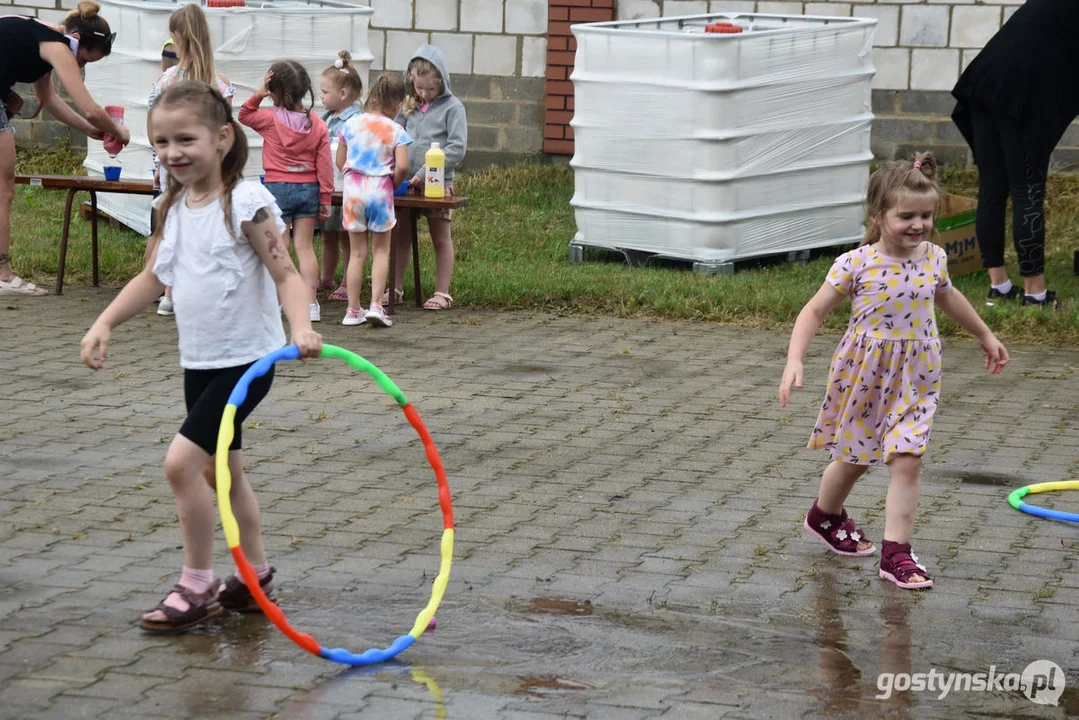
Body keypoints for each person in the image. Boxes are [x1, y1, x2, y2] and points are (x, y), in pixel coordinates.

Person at [79, 81, 322, 633]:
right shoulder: (174, 207)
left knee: (181, 465)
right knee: (223, 474)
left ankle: (196, 583)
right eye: (160, 142)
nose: (172, 153)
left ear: (221, 137)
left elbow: (285, 272)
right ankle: (255, 576)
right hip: (201, 362)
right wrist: (105, 321)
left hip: (247, 364)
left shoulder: (246, 200)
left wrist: (302, 328)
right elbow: (152, 278)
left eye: (184, 138)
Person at [778, 153, 1009, 590]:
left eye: (926, 215)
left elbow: (948, 297)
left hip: (917, 377)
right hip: (864, 375)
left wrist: (984, 333)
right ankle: (825, 516)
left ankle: (896, 554)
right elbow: (813, 310)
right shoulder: (855, 263)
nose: (918, 224)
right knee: (853, 460)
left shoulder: (935, 258)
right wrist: (794, 358)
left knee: (908, 460)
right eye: (906, 216)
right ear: (878, 214)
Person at [951, 0, 1079, 308]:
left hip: (985, 79)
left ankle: (1000, 286)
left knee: (993, 188)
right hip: (1023, 91)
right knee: (1027, 189)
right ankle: (1036, 293)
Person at [0, 1, 129, 296]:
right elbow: (91, 109)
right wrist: (117, 130)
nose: (79, 66)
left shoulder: (42, 37)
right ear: (79, 41)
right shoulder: (58, 46)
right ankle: (3, 273)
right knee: (4, 187)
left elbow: (50, 101)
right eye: (84, 60)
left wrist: (90, 130)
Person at [147, 3, 236, 316]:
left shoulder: (166, 82)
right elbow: (226, 133)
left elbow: (152, 131)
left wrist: (161, 161)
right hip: (211, 170)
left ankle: (165, 291)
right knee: (208, 230)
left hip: (173, 168)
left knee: (167, 230)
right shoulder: (221, 84)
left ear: (175, 37)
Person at [240, 60, 333, 323]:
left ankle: (281, 302)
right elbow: (324, 165)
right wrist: (325, 197)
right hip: (309, 189)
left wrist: (259, 94)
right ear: (305, 91)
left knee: (279, 248)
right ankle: (311, 304)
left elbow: (244, 115)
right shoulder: (317, 125)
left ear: (274, 91)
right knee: (304, 248)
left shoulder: (269, 119)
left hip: (277, 189)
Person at [387, 44, 467, 311]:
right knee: (400, 236)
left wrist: (425, 173)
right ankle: (395, 288)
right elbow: (396, 134)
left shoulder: (453, 108)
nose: (424, 93)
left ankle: (442, 292)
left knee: (440, 237)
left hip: (437, 185)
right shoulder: (409, 105)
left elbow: (456, 147)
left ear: (442, 82)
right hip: (406, 184)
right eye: (419, 88)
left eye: (430, 89)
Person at [337, 73, 411, 327]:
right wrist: (393, 182)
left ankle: (352, 309)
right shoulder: (396, 130)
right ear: (397, 104)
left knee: (357, 253)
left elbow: (340, 161)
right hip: (381, 190)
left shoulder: (350, 124)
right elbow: (403, 166)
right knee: (381, 251)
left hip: (354, 192)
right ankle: (376, 306)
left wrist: (349, 175)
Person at [317, 51, 364, 303]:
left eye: (325, 92)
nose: (321, 96)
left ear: (343, 94)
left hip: (346, 187)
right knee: (328, 234)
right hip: (328, 186)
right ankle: (326, 277)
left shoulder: (355, 121)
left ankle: (348, 281)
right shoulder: (325, 118)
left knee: (347, 236)